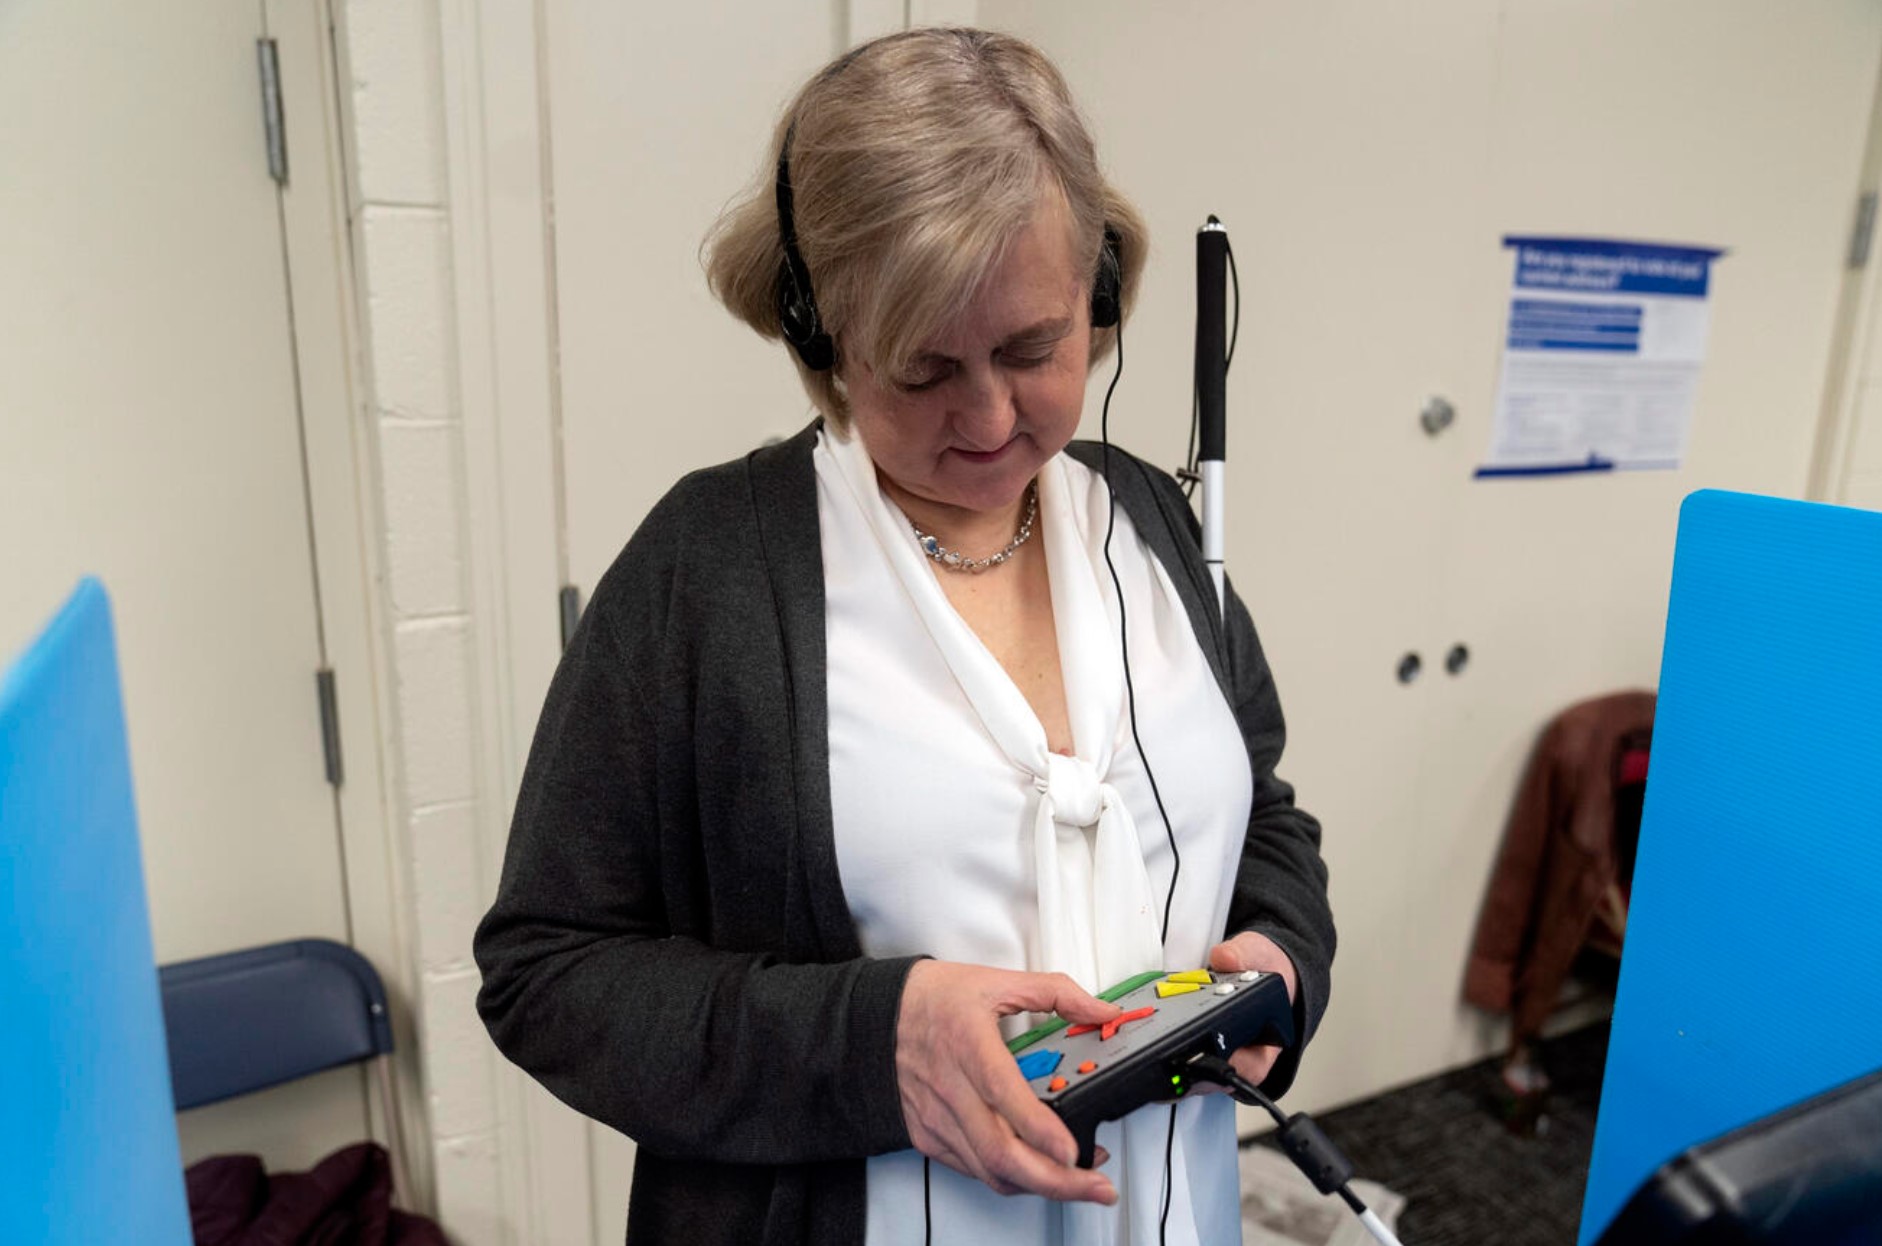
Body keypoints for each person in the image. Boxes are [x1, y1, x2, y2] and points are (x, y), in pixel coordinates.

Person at [474, 26, 1334, 1246]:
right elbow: (546, 971)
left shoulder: (1146, 520)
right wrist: (876, 1045)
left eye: (1034, 349)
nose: (988, 416)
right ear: (820, 334)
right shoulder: (710, 569)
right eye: (922, 368)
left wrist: (1283, 959)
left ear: (1095, 294)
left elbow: (1267, 819)